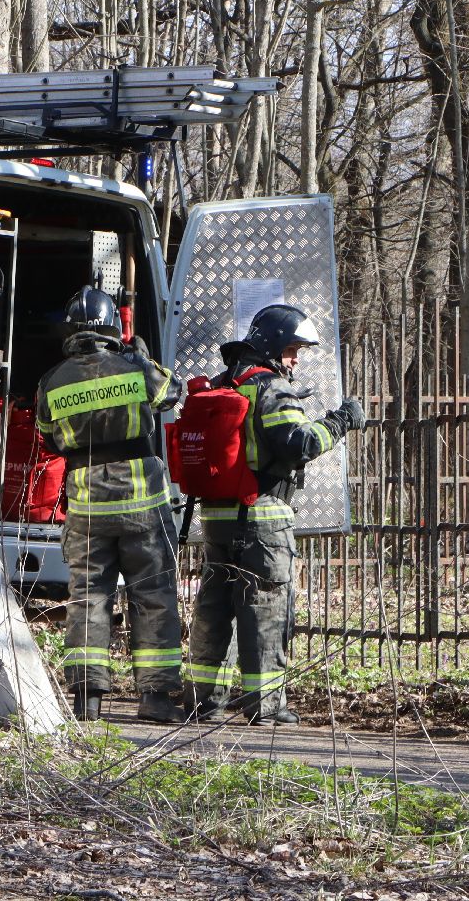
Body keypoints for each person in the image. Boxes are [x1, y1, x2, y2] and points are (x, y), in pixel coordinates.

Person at [183, 304, 364, 725]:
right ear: (270, 346)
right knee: (265, 610)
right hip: (263, 519)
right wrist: (341, 421)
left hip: (217, 518)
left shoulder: (224, 383)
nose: (295, 359)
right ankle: (264, 707)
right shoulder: (271, 389)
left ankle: (204, 702)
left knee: (214, 609)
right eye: (290, 350)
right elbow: (298, 444)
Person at [36, 286, 183, 723]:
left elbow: (48, 436)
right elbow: (172, 394)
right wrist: (141, 358)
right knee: (153, 596)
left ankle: (88, 701)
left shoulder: (52, 380)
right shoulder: (133, 368)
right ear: (114, 329)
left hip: (86, 508)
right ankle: (155, 700)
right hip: (141, 505)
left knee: (88, 598)